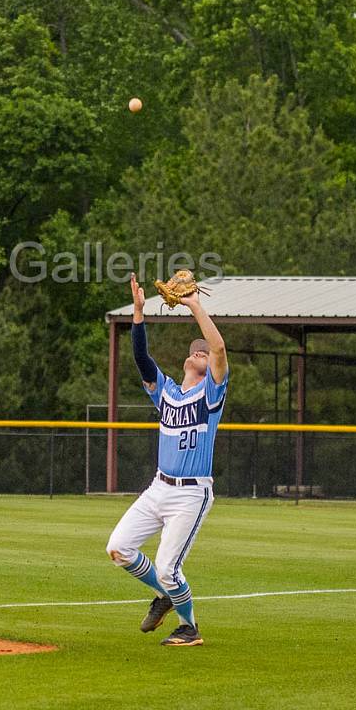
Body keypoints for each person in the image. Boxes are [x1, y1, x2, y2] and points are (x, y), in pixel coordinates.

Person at [106, 272, 228, 647]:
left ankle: (189, 627)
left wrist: (193, 304)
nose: (200, 352)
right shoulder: (168, 393)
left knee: (167, 567)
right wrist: (139, 313)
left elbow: (220, 350)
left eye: (203, 352)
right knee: (119, 548)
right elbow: (141, 358)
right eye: (195, 350)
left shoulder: (211, 396)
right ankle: (165, 596)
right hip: (159, 487)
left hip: (191, 494)